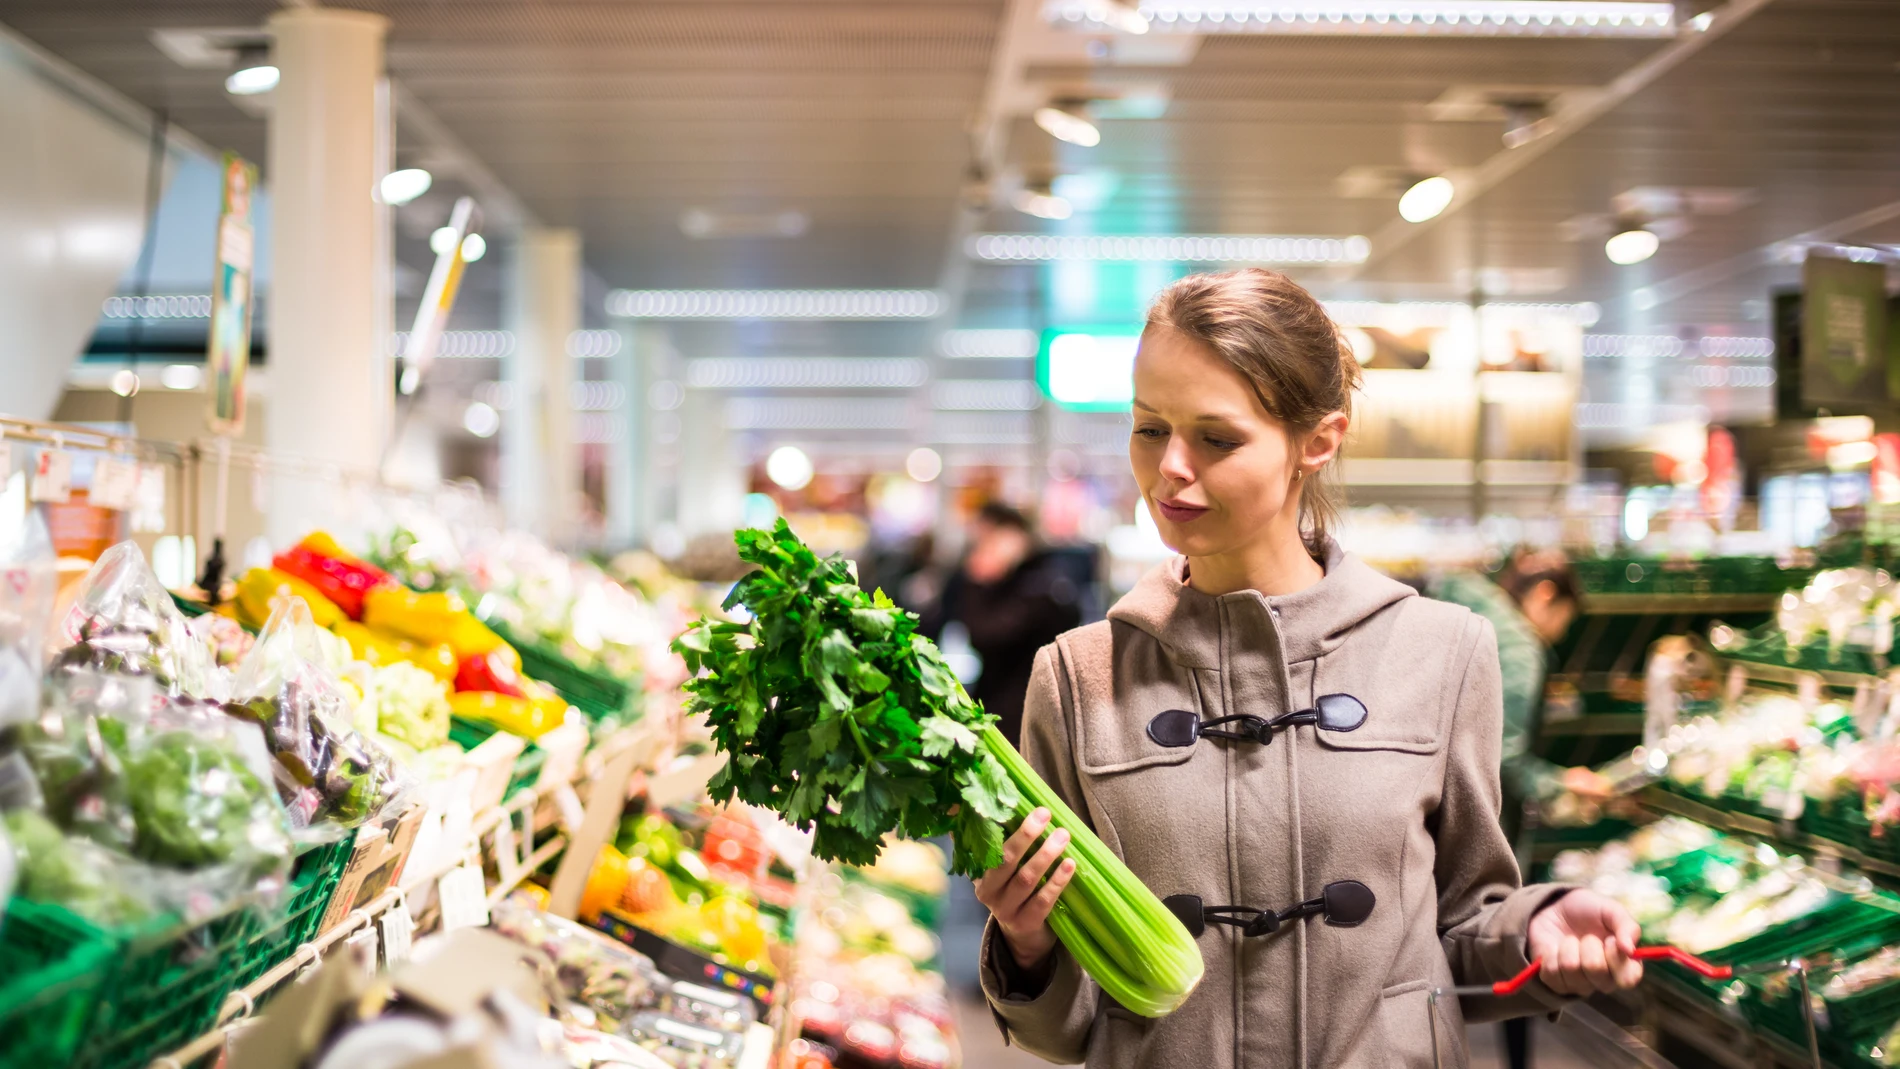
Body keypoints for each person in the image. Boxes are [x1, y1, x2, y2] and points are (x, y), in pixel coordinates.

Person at [974, 269, 1644, 1069]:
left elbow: (1459, 927)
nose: (1171, 466)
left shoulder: (1445, 653)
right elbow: (1068, 1028)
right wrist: (1026, 943)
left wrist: (1536, 928)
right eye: (1150, 428)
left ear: (1318, 441)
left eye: (1217, 438)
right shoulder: (1077, 678)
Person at [1430, 553, 1603, 1069]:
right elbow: (1505, 760)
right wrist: (1562, 781)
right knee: (1504, 936)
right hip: (1470, 828)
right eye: (1564, 620)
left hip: (1420, 818)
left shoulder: (1454, 602)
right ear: (1547, 595)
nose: (1558, 634)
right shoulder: (1519, 647)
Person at [922, 503, 1082, 748]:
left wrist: (980, 580)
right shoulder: (1003, 581)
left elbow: (987, 634)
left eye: (988, 538)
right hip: (995, 699)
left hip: (1025, 711)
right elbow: (940, 621)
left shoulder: (1041, 583)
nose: (981, 547)